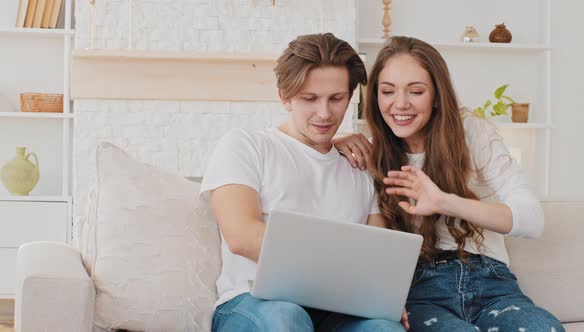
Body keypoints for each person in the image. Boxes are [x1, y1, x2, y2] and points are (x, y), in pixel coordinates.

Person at [335, 36, 564, 331]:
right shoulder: (371, 153)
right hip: (420, 291)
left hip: (492, 283)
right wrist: (330, 146)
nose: (400, 104)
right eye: (387, 91)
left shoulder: (473, 133)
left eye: (416, 91)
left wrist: (444, 201)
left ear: (437, 95)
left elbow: (532, 220)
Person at [200, 33, 408, 332]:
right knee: (287, 317)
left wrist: (383, 296)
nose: (324, 113)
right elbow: (241, 236)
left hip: (340, 310)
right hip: (255, 303)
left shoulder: (360, 165)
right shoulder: (246, 145)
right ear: (284, 96)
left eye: (336, 99)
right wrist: (342, 270)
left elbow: (376, 255)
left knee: (385, 328)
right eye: (309, 99)